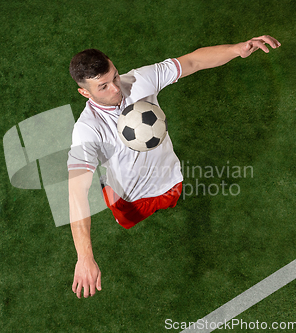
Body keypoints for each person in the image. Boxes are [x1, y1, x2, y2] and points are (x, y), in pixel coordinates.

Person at [67, 35, 281, 299]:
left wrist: (236, 50)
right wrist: (85, 257)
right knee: (127, 220)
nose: (115, 88)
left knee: (172, 200)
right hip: (128, 198)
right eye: (103, 87)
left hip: (170, 178)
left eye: (114, 76)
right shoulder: (87, 130)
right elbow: (76, 192)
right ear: (84, 92)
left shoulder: (137, 81)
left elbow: (191, 62)